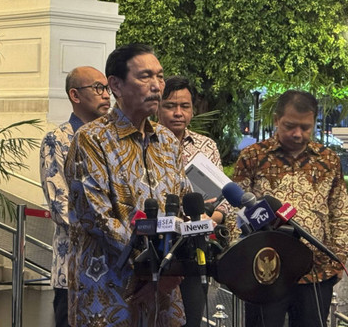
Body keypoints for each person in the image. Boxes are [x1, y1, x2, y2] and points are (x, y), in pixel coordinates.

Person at [65, 44, 190, 327]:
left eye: (160, 77)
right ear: (116, 85)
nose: (157, 86)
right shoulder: (91, 139)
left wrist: (173, 269)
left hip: (165, 295)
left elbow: (182, 204)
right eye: (146, 76)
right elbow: (98, 219)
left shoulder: (168, 142)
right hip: (111, 292)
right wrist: (158, 267)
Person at [233, 90, 348, 327]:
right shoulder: (253, 157)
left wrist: (338, 259)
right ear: (276, 120)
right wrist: (238, 259)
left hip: (316, 272)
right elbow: (233, 211)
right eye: (290, 126)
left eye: (305, 127)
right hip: (264, 271)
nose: (298, 134)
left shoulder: (328, 160)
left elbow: (340, 211)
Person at [39, 66, 111, 327]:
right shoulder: (57, 140)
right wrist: (110, 231)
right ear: (75, 95)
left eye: (108, 88)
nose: (106, 95)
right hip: (75, 268)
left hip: (116, 269)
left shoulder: (112, 138)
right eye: (98, 88)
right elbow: (60, 205)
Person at [157, 75, 229, 327]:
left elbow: (224, 198)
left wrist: (212, 218)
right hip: (157, 248)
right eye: (170, 105)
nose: (178, 113)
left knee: (192, 319)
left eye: (184, 106)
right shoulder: (145, 142)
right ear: (157, 106)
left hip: (196, 249)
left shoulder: (206, 146)